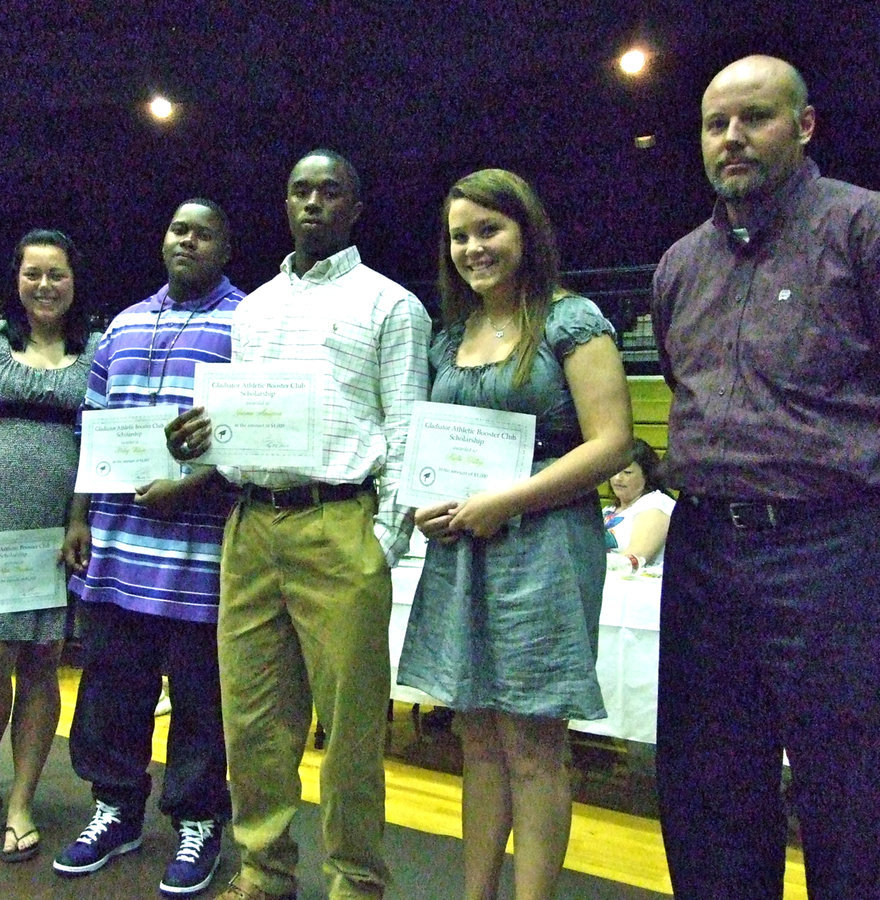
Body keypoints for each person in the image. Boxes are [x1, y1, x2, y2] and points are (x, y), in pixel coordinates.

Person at [168, 150, 431, 900]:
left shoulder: (391, 305)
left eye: (330, 191)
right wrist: (201, 441)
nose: (312, 203)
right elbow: (236, 426)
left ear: (356, 208)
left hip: (339, 525)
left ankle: (354, 879)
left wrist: (384, 542)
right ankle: (264, 870)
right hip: (250, 524)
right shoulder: (252, 309)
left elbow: (406, 428)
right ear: (284, 204)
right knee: (251, 718)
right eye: (299, 191)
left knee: (349, 730)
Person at [651, 55, 880, 899]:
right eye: (717, 125)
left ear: (806, 125)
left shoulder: (862, 229)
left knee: (853, 786)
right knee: (709, 788)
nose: (733, 138)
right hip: (708, 545)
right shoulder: (680, 264)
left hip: (836, 547)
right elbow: (683, 387)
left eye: (755, 118)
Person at [397, 169, 633, 900]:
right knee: (477, 739)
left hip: (546, 546)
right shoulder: (448, 338)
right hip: (464, 547)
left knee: (533, 745)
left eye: (489, 230)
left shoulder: (572, 320)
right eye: (460, 235)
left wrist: (508, 500)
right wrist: (421, 504)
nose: (474, 247)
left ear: (526, 231)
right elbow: (430, 450)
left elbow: (614, 442)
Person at [52, 199, 240, 896]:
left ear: (226, 248)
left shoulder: (246, 322)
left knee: (201, 701)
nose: (187, 240)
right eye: (177, 228)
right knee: (111, 688)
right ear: (162, 240)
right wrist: (78, 519)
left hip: (203, 555)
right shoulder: (125, 323)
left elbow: (255, 434)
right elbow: (93, 431)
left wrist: (192, 485)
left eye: (203, 233)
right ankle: (115, 808)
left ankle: (198, 820)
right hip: (118, 550)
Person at [0, 229, 99, 862]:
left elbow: (95, 449)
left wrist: (79, 518)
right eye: (33, 273)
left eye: (56, 274)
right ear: (16, 280)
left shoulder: (95, 352)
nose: (44, 285)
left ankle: (23, 799)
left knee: (38, 669)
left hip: (54, 537)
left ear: (74, 281)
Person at [602, 437, 674, 572]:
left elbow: (634, 559)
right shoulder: (609, 510)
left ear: (646, 475)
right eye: (614, 471)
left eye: (627, 472)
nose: (618, 478)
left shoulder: (656, 504)